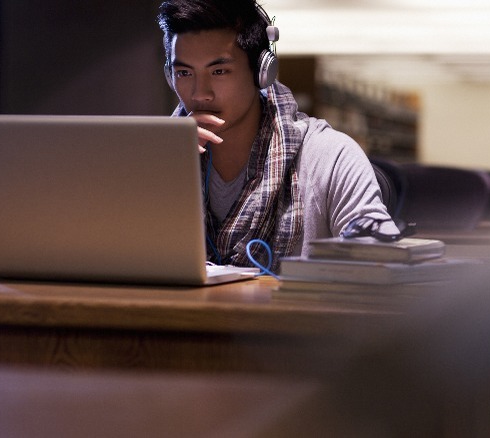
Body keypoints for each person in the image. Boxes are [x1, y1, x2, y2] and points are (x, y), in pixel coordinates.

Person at [157, 0, 394, 270]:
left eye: (219, 71)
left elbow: (381, 262)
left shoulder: (330, 156)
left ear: (262, 72)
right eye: (184, 73)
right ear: (169, 76)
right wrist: (164, 169)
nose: (200, 94)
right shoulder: (158, 161)